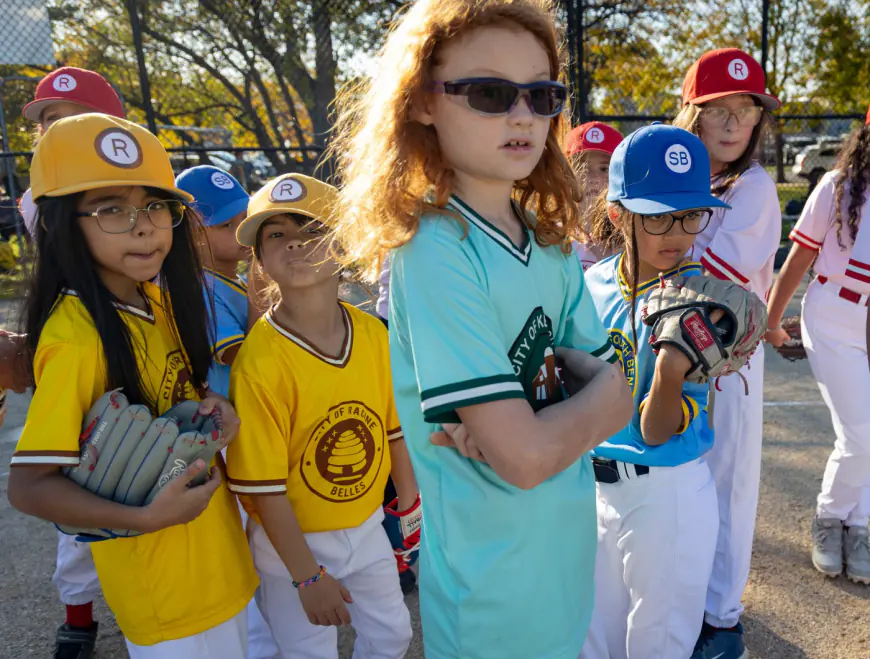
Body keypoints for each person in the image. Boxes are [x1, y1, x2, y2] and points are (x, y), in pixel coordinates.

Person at [328, 0, 634, 656]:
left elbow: (616, 390)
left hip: (564, 560)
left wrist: (549, 420)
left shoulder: (549, 239)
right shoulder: (435, 249)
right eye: (490, 93)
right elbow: (530, 453)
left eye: (541, 94)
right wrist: (579, 409)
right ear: (421, 103)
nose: (523, 115)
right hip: (490, 597)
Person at [6, 114, 257, 658]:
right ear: (58, 224)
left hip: (218, 563)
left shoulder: (158, 297)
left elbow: (175, 401)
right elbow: (29, 487)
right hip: (162, 592)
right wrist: (142, 518)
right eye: (111, 209)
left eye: (154, 205)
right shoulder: (76, 337)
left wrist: (212, 408)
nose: (144, 226)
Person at [226, 174, 417, 658]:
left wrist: (410, 506)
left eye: (312, 228)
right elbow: (264, 490)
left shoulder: (373, 333)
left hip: (367, 525)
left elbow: (393, 431)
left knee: (393, 634)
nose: (295, 241)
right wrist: (306, 575)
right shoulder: (259, 361)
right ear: (261, 260)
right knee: (309, 652)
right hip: (292, 544)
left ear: (345, 242)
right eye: (276, 234)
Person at [578, 124, 727, 659]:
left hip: (665, 493)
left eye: (690, 214)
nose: (678, 231)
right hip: (590, 486)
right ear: (618, 214)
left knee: (656, 647)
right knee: (591, 643)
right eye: (658, 214)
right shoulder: (589, 285)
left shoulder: (706, 302)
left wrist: (672, 363)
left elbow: (656, 428)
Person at [672, 48, 782, 659]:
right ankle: (688, 604)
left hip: (727, 358)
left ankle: (722, 617)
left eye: (748, 109)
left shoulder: (756, 186)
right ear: (694, 112)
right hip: (670, 350)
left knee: (726, 486)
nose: (737, 122)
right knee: (681, 482)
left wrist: (657, 243)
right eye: (721, 109)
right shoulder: (686, 177)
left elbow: (706, 275)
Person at [14, 68, 127, 659]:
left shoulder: (141, 182)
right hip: (80, 344)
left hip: (140, 339)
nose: (52, 130)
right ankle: (79, 614)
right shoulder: (39, 195)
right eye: (48, 121)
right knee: (76, 473)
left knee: (151, 464)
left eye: (69, 118)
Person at [175, 165, 281, 658]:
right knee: (249, 550)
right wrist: (267, 276)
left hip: (251, 433)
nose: (241, 232)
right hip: (232, 445)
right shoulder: (201, 287)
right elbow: (250, 356)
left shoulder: (227, 278)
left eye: (246, 219)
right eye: (224, 225)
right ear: (191, 231)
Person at [766, 108, 870, 585]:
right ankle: (829, 518)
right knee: (861, 433)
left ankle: (861, 524)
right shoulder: (836, 185)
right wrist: (771, 317)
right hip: (833, 312)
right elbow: (799, 258)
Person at [565, 121, 623, 270]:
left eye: (604, 168)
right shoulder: (552, 236)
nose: (594, 178)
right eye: (582, 168)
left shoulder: (634, 234)